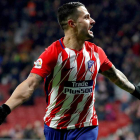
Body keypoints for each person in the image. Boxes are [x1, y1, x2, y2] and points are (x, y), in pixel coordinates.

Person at [0, 2, 140, 140]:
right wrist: (5, 109)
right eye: (86, 17)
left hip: (86, 126)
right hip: (55, 128)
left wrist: (135, 90)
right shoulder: (53, 53)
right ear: (72, 23)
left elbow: (115, 75)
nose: (92, 21)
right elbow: (30, 84)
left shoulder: (96, 53)